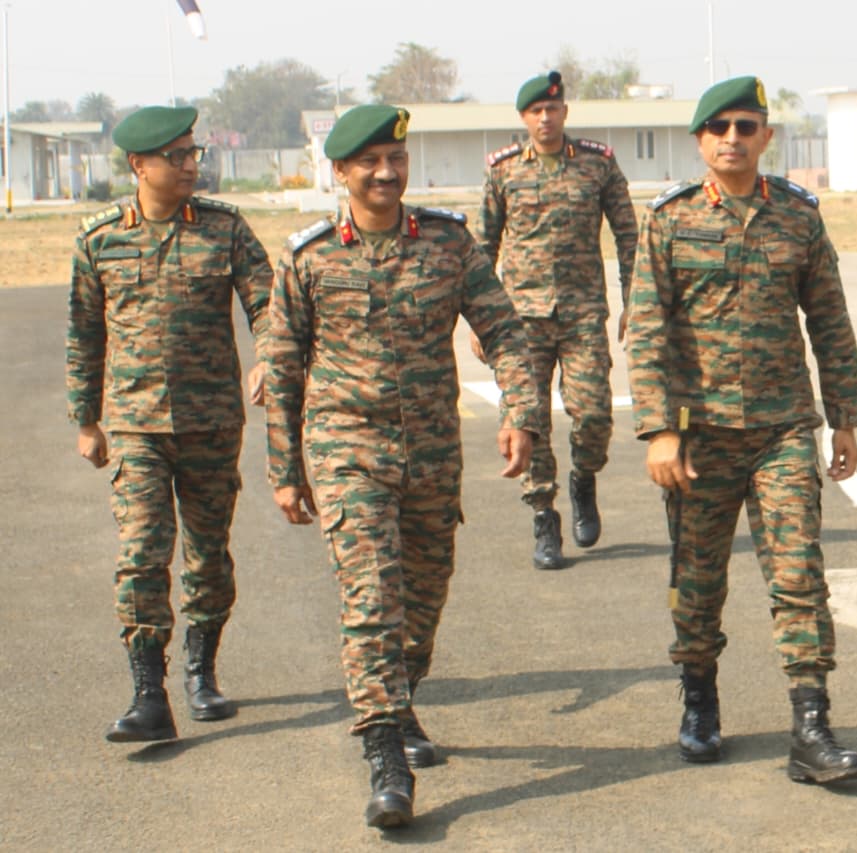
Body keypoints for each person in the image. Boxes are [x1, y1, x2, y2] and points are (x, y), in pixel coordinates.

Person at [265, 104, 541, 829]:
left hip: (431, 453)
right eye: (370, 162)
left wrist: (521, 412)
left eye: (396, 158)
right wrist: (285, 468)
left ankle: (401, 693)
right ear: (341, 172)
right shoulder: (309, 257)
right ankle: (386, 754)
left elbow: (504, 330)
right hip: (346, 447)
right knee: (372, 596)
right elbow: (282, 368)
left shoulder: (448, 244)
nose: (386, 172)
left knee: (423, 596)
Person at [625, 76, 857, 785]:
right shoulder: (669, 220)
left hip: (781, 429)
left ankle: (811, 725)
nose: (732, 138)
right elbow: (646, 329)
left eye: (745, 126)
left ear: (766, 136)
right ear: (700, 140)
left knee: (799, 574)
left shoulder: (798, 217)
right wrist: (658, 430)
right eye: (719, 127)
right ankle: (700, 698)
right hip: (698, 434)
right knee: (697, 581)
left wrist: (845, 417)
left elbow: (829, 319)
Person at [66, 105, 271, 743]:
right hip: (136, 425)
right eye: (176, 156)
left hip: (212, 422)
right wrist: (86, 420)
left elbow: (268, 302)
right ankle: (148, 693)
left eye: (193, 153)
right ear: (138, 165)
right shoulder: (100, 239)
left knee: (207, 556)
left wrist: (268, 355)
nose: (189, 165)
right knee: (141, 554)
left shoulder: (224, 229)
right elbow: (84, 333)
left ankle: (201, 671)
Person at [475, 70, 638, 570]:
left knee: (594, 414)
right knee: (530, 420)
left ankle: (583, 478)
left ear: (565, 112)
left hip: (582, 311)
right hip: (520, 319)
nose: (545, 118)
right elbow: (482, 248)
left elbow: (628, 235)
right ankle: (544, 516)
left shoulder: (598, 164)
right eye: (536, 111)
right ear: (523, 118)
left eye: (552, 109)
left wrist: (633, 300)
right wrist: (481, 320)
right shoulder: (503, 171)